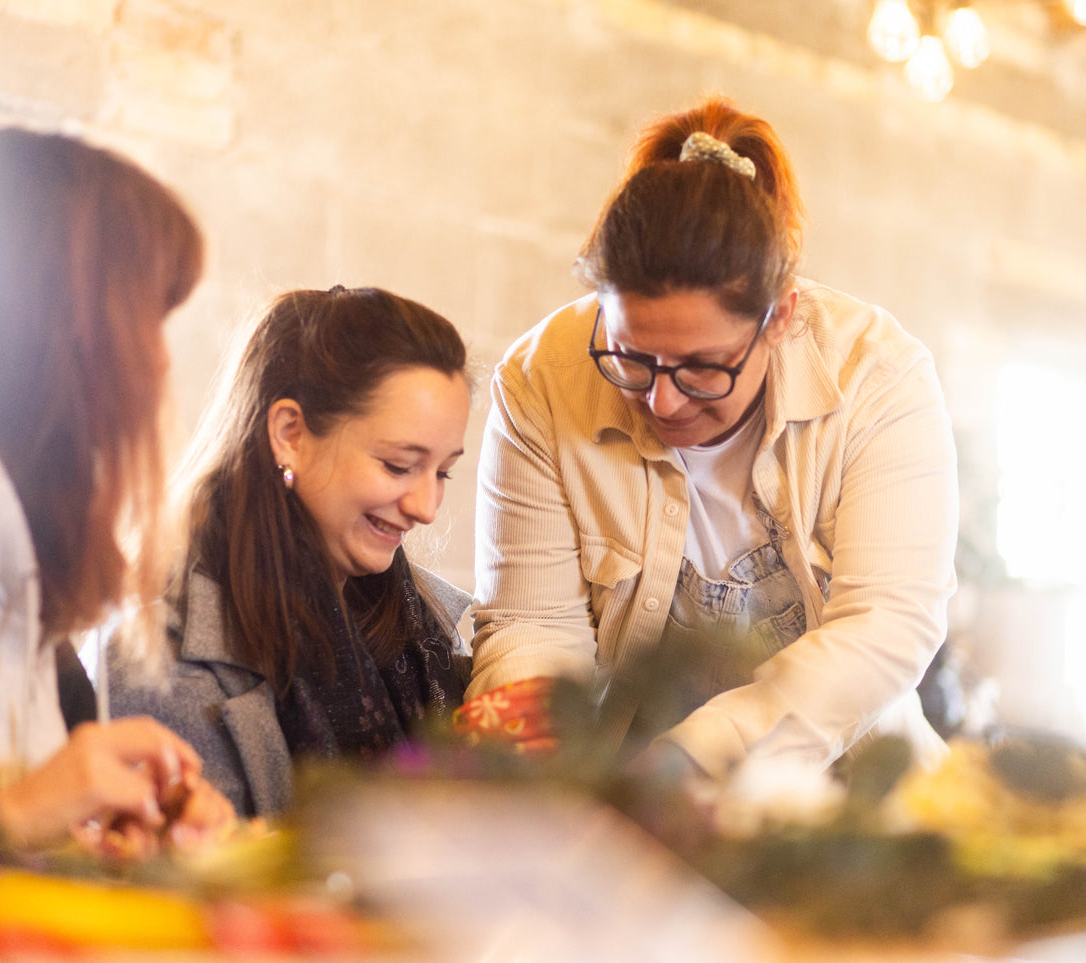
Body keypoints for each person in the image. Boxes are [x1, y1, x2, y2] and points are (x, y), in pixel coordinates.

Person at [467, 97, 959, 782]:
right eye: (631, 358)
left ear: (780, 315)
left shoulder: (875, 376)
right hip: (619, 789)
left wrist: (695, 755)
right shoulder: (542, 378)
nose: (661, 400)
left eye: (702, 368)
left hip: (845, 799)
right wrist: (536, 762)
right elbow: (533, 623)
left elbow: (884, 624)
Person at [0, 127, 234, 855]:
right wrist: (2, 820)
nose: (161, 356)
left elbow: (52, 802)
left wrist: (121, 815)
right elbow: (4, 812)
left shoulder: (15, 535)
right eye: (147, 317)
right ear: (59, 325)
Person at [111, 286, 473, 818]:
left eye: (442, 473)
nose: (426, 509)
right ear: (290, 434)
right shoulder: (161, 658)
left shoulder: (419, 622)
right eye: (399, 466)